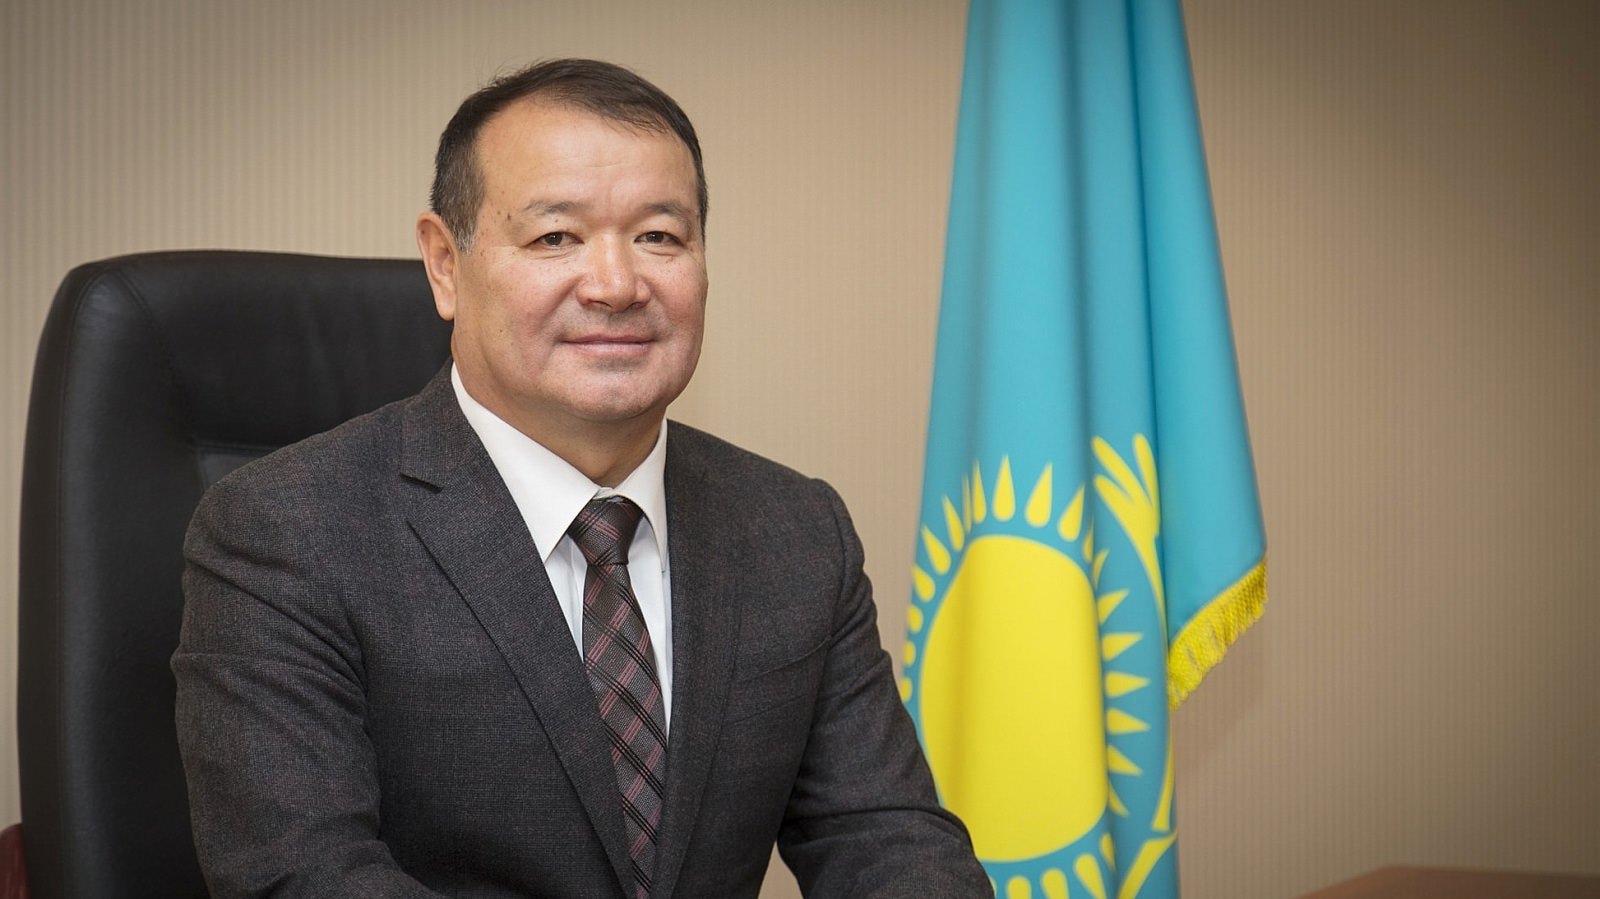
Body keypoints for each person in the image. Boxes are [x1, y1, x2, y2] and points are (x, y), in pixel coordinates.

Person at [172, 58, 988, 898]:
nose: (617, 285)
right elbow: (305, 876)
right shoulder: (285, 530)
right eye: (555, 237)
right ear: (446, 263)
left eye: (660, 236)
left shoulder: (796, 529)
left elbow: (886, 838)